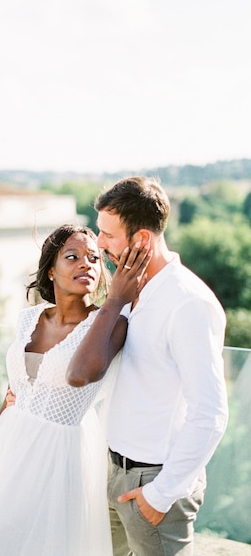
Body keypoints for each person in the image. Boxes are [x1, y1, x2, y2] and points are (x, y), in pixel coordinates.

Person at [0, 223, 150, 556]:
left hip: (60, 457)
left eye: (95, 258)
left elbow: (87, 371)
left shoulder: (112, 323)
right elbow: (12, 395)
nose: (87, 264)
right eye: (73, 256)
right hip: (10, 447)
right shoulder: (28, 319)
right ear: (51, 270)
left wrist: (115, 302)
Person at [66, 176, 229, 556]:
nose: (99, 243)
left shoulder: (188, 303)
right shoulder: (128, 290)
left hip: (153, 484)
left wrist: (160, 494)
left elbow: (210, 414)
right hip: (112, 472)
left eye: (107, 235)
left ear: (140, 240)